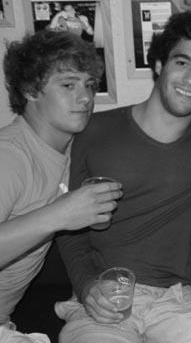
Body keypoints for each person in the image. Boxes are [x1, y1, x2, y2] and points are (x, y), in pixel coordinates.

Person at [55, 9, 191, 343]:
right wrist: (86, 286)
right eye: (182, 62)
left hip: (178, 302)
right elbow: (69, 229)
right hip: (105, 297)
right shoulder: (93, 131)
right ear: (158, 64)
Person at [0, 30, 121, 342]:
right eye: (68, 85)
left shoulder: (70, 147)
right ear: (30, 89)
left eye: (89, 85)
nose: (86, 98)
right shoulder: (9, 156)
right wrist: (59, 215)